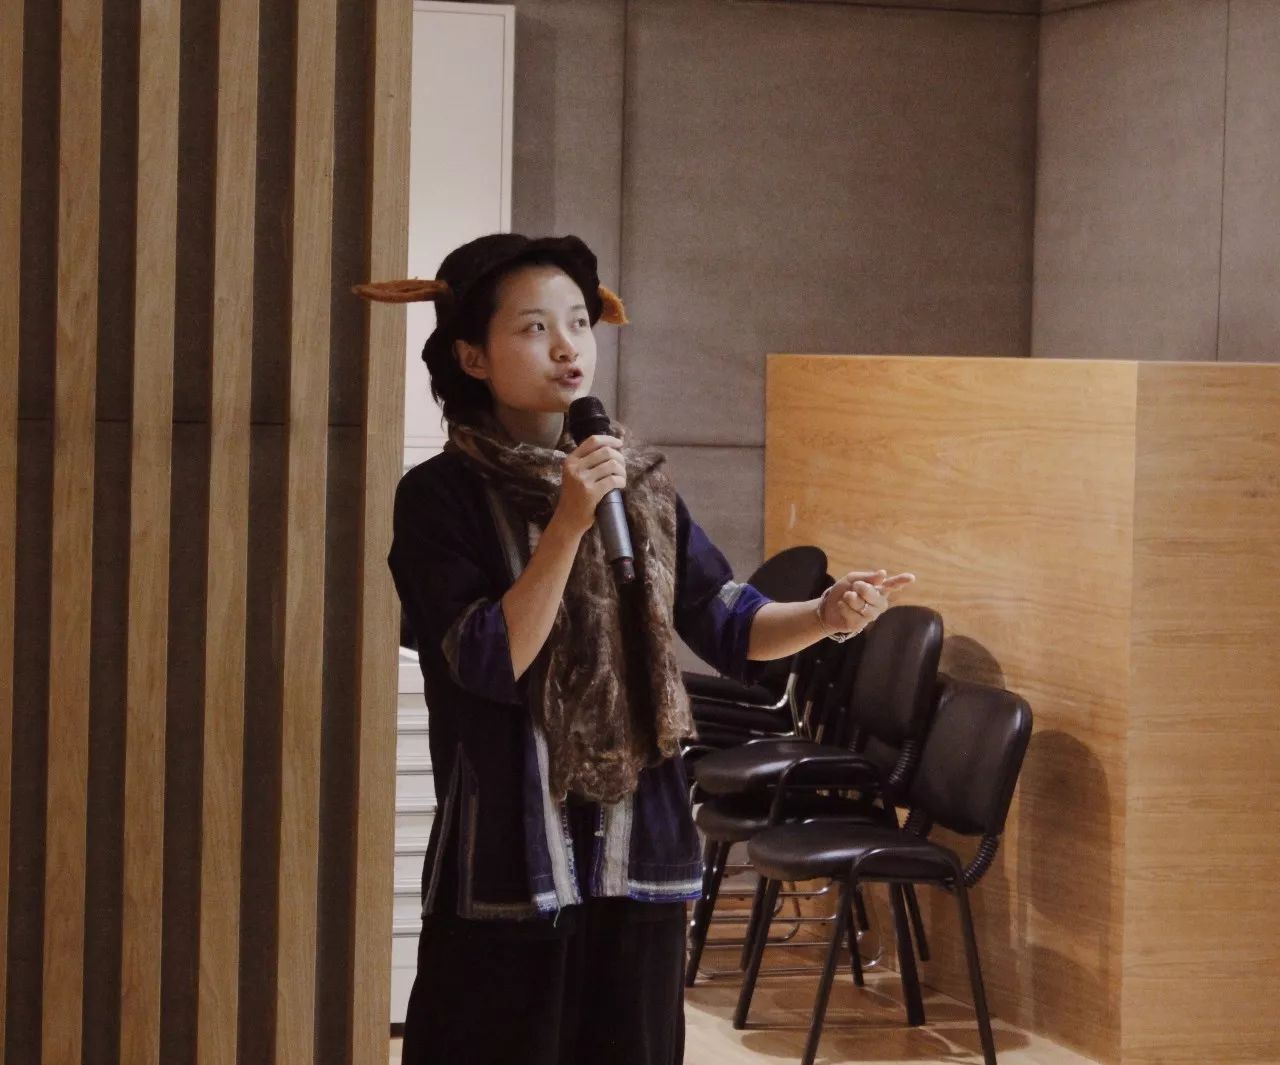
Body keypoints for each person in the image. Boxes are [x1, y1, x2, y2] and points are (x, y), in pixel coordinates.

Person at [354, 233, 913, 1065]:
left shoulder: (638, 484)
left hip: (636, 851)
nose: (567, 346)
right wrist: (568, 524)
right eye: (534, 327)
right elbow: (487, 659)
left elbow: (728, 621)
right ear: (473, 357)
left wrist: (825, 615)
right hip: (509, 865)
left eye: (579, 322)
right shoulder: (439, 496)